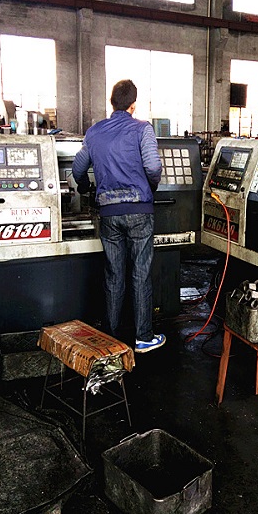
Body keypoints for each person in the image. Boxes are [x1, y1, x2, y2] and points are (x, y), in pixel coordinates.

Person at [72, 79, 165, 354]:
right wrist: (150, 188)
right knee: (140, 273)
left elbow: (78, 168)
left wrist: (84, 187)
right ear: (133, 105)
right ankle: (143, 337)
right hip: (139, 211)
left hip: (109, 213)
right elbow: (153, 166)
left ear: (112, 103)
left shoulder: (94, 132)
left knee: (114, 275)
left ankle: (111, 339)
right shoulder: (142, 129)